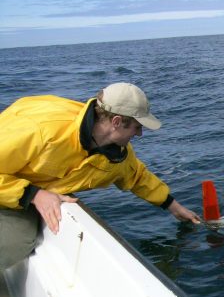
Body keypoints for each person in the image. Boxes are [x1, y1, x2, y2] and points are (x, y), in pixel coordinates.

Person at [0, 82, 201, 270]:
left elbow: (137, 177)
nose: (139, 134)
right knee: (12, 243)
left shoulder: (117, 154)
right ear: (116, 121)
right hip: (15, 189)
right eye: (137, 127)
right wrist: (34, 195)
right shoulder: (41, 129)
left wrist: (174, 207)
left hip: (17, 198)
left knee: (17, 242)